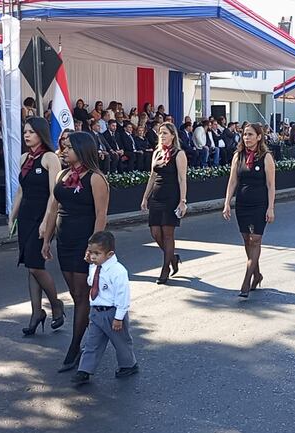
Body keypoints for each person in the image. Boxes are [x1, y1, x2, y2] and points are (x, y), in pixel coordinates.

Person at [41, 131, 110, 373]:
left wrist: (93, 248)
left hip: (84, 242)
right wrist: (47, 240)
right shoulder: (62, 174)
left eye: (69, 146)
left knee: (81, 295)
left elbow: (101, 215)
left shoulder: (96, 178)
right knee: (74, 292)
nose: (64, 149)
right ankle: (90, 332)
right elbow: (52, 210)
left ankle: (76, 346)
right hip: (65, 240)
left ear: (82, 150)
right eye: (63, 146)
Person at [8, 117, 65, 336]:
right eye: (25, 132)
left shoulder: (50, 158)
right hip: (25, 216)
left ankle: (56, 304)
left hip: (43, 217)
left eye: (31, 132)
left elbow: (54, 194)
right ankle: (36, 313)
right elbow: (21, 191)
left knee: (36, 266)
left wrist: (46, 221)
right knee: (30, 266)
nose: (26, 135)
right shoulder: (24, 158)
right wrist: (12, 216)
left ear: (40, 133)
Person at [70, 231, 138, 384]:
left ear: (109, 254)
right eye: (90, 252)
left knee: (121, 342)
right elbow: (90, 282)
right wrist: (90, 267)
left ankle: (129, 365)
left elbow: (123, 296)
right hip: (96, 311)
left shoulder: (118, 271)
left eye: (97, 253)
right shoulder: (95, 266)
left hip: (112, 312)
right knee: (92, 342)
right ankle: (85, 370)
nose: (92, 256)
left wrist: (119, 318)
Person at [222, 124, 276, 297]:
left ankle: (246, 281)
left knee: (256, 239)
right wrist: (226, 203)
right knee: (247, 240)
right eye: (245, 134)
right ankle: (257, 274)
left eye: (251, 134)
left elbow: (270, 185)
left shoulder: (266, 157)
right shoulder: (238, 156)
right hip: (242, 205)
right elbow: (232, 181)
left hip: (259, 205)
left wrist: (270, 207)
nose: (247, 138)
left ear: (259, 137)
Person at [140, 122, 188, 285]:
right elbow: (152, 177)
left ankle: (165, 268)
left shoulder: (178, 154)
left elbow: (182, 179)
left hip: (171, 196)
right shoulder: (157, 153)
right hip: (156, 196)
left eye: (165, 133)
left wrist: (182, 201)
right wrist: (145, 197)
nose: (162, 136)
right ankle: (173, 258)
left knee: (168, 234)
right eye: (160, 133)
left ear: (173, 135)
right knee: (155, 233)